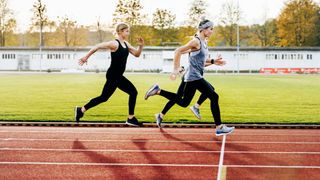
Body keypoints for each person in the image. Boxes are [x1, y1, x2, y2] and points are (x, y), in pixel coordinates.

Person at [145, 19, 234, 136]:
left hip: (193, 77)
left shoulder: (204, 43)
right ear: (204, 29)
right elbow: (177, 51)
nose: (212, 31)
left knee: (183, 102)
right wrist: (176, 69)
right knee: (214, 96)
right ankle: (219, 127)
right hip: (193, 77)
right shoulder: (196, 41)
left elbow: (201, 63)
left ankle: (158, 91)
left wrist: (213, 61)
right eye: (211, 29)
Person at [75, 22, 144, 127]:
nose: (128, 33)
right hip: (113, 75)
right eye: (127, 31)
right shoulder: (114, 44)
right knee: (104, 97)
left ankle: (130, 118)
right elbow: (97, 46)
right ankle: (81, 110)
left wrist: (140, 46)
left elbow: (137, 54)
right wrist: (86, 57)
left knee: (132, 92)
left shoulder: (126, 44)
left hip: (118, 76)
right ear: (120, 32)